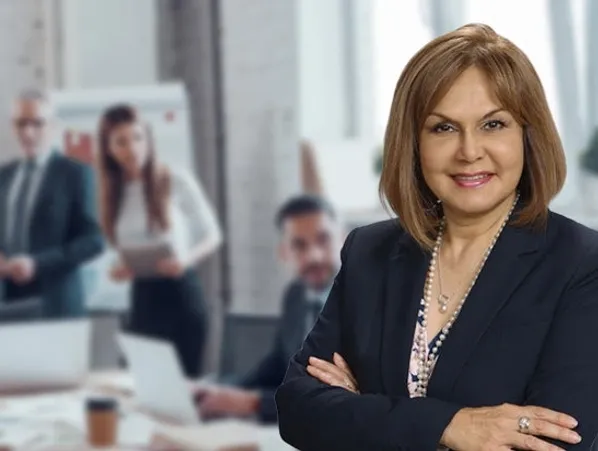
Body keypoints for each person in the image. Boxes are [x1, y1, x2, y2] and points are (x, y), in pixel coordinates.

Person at [276, 23, 598, 451]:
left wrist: (363, 410)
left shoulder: (580, 264)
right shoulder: (369, 252)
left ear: (528, 134)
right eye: (443, 128)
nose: (469, 151)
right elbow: (298, 409)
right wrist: (452, 426)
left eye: (493, 124)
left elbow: (553, 443)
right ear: (413, 143)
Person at [97, 104, 222, 378]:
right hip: (143, 299)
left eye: (138, 138)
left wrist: (185, 260)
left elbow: (213, 234)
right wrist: (119, 271)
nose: (132, 148)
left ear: (149, 139)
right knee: (146, 385)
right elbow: (119, 250)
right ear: (108, 148)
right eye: (121, 142)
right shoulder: (112, 193)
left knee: (187, 390)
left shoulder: (174, 178)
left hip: (181, 295)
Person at [195, 195, 343, 423]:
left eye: (323, 240)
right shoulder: (295, 294)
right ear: (284, 253)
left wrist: (253, 403)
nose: (314, 256)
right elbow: (278, 365)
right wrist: (221, 391)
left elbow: (333, 399)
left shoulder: (364, 302)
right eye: (299, 245)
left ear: (342, 240)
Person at [0, 90, 104, 317]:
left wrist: (37, 263)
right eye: (21, 123)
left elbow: (94, 241)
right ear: (12, 126)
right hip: (8, 305)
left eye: (37, 123)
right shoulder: (3, 176)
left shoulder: (75, 174)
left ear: (54, 126)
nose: (28, 132)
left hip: (57, 305)